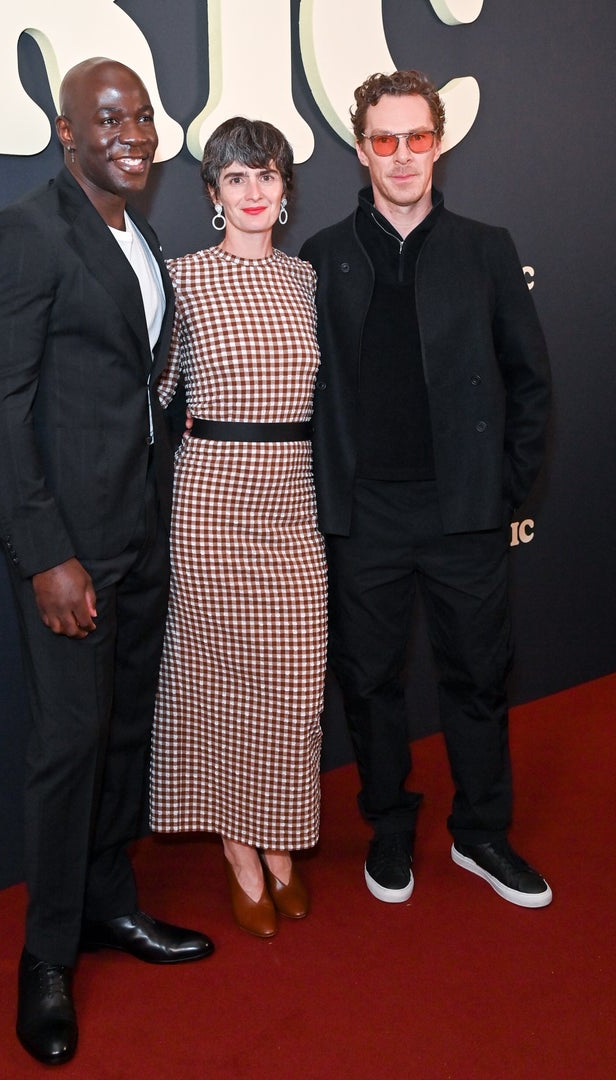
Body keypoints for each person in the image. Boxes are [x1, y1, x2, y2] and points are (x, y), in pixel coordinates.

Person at [0, 57, 213, 1067]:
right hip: (69, 553)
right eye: (107, 118)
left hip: (139, 537)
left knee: (121, 740)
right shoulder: (26, 232)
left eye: (143, 115)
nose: (132, 132)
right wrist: (46, 555)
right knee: (70, 750)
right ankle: (47, 960)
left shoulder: (138, 232)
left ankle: (112, 906)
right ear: (66, 131)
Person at [300, 70, 553, 909]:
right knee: (369, 680)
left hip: (465, 511)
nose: (402, 156)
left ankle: (482, 833)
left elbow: (530, 381)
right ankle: (390, 825)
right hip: (365, 512)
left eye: (417, 138)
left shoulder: (485, 246)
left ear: (438, 144)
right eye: (384, 139)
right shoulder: (324, 256)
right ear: (361, 147)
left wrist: (506, 492)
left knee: (478, 675)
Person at [149, 118, 328, 939]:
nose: (253, 191)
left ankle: (283, 835)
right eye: (235, 179)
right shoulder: (181, 278)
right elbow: (154, 398)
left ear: (285, 190)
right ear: (213, 195)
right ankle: (240, 851)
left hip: (292, 501)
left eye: (266, 176)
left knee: (292, 682)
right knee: (221, 683)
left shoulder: (307, 282)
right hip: (211, 499)